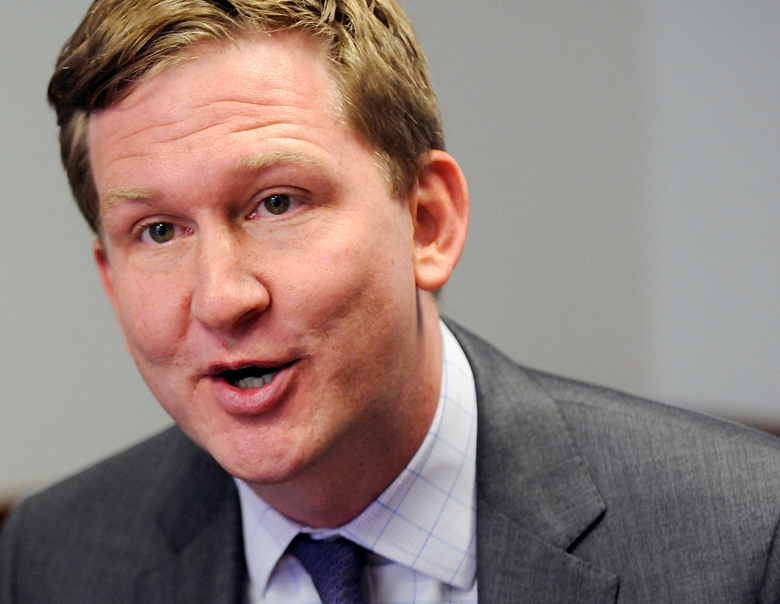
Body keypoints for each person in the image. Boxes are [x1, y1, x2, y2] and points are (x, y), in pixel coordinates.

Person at [2, 1, 780, 602]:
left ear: (427, 222)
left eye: (277, 203)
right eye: (158, 231)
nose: (221, 298)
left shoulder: (744, 536)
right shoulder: (52, 559)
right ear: (111, 281)